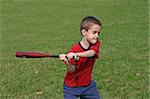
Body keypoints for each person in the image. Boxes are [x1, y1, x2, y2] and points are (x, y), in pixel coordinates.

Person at [59, 16, 102, 99]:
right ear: (84, 32)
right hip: (71, 87)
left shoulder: (95, 44)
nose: (97, 36)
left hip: (88, 86)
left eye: (98, 33)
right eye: (94, 32)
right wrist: (67, 60)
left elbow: (92, 53)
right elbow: (71, 70)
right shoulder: (74, 50)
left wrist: (78, 55)